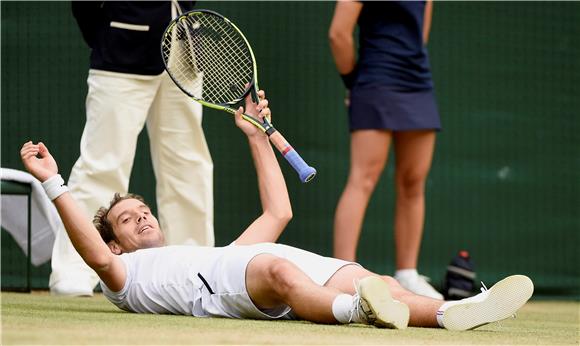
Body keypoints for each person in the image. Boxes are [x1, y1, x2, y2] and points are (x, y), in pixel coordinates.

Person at [20, 90, 534, 330]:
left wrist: (254, 136)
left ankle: (454, 313)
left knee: (374, 278)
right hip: (239, 280)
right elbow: (91, 255)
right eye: (128, 220)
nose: (143, 217)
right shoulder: (124, 276)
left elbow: (278, 212)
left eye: (143, 209)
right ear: (114, 244)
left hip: (250, 262)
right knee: (279, 268)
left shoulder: (208, 253)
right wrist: (53, 182)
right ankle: (358, 310)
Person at [50, 1, 214, 296]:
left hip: (185, 49)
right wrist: (106, 37)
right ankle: (75, 268)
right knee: (102, 164)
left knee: (190, 167)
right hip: (122, 48)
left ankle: (195, 269)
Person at [329, 1, 443, 299]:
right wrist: (354, 83)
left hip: (417, 81)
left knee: (413, 181)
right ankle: (342, 273)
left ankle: (407, 275)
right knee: (363, 179)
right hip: (374, 79)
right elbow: (338, 34)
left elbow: (421, 34)